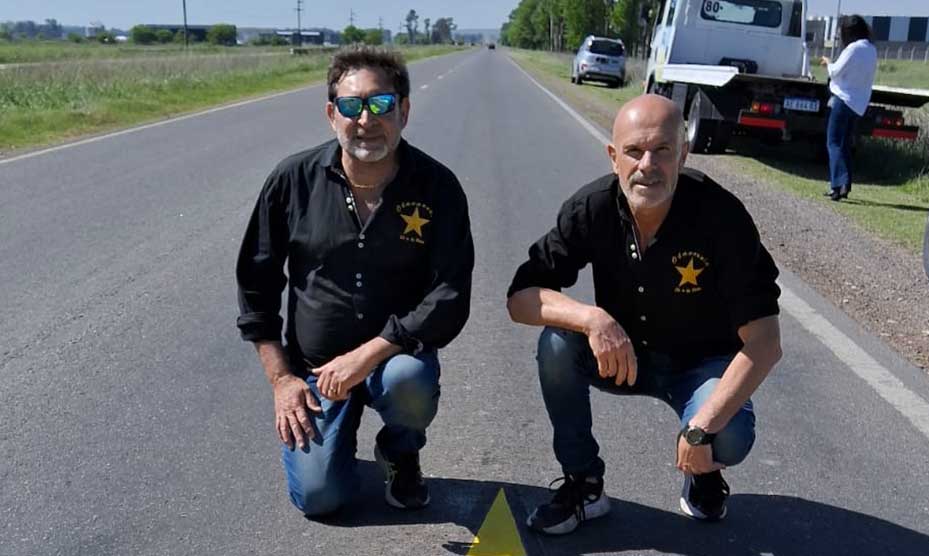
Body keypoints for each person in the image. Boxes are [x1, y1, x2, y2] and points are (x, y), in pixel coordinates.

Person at [506, 95, 782, 535]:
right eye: (634, 151)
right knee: (556, 342)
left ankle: (704, 469)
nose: (647, 165)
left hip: (701, 366)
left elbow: (765, 342)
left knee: (728, 435)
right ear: (613, 156)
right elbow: (521, 298)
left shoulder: (722, 217)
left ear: (683, 154)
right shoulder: (592, 208)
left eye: (662, 151)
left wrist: (701, 429)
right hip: (625, 358)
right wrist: (592, 319)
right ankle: (584, 483)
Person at [236, 45, 474, 516]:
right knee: (321, 499)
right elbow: (256, 285)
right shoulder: (292, 180)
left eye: (381, 104)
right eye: (351, 105)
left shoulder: (437, 187)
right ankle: (332, 454)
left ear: (404, 111)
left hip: (394, 359)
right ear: (332, 115)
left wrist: (368, 355)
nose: (366, 119)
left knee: (409, 382)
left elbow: (449, 294)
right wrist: (282, 380)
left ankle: (400, 452)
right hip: (317, 370)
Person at [820, 15, 877, 201]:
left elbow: (836, 71)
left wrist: (828, 62)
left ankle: (837, 185)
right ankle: (845, 184)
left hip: (843, 100)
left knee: (833, 142)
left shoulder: (853, 48)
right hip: (858, 104)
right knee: (844, 144)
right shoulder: (871, 49)